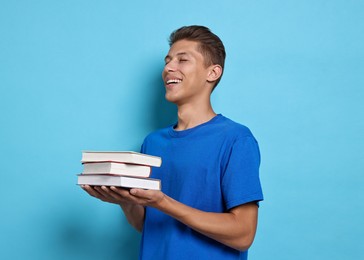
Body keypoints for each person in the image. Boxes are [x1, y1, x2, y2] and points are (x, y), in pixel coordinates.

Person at [82, 25, 263, 259]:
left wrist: (163, 202)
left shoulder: (236, 139)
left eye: (182, 60)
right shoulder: (152, 142)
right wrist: (125, 201)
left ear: (213, 73)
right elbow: (147, 225)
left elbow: (244, 234)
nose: (169, 68)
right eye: (167, 60)